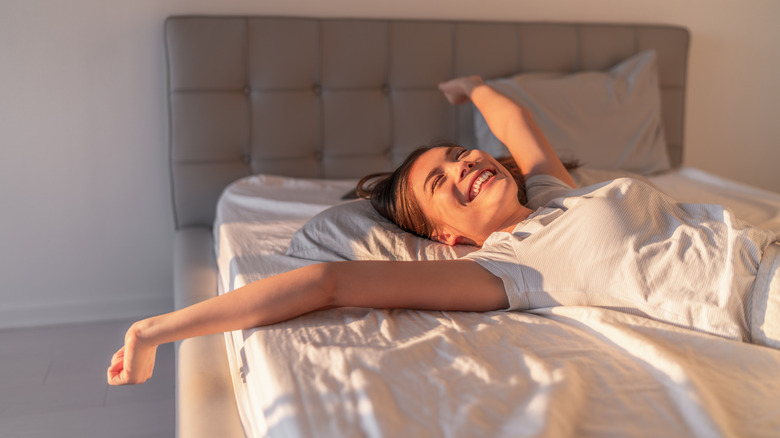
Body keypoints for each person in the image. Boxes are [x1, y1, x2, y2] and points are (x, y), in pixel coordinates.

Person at [108, 76, 779, 386]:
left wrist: (472, 88)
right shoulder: (510, 268)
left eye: (459, 155)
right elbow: (328, 281)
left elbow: (515, 124)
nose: (466, 165)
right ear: (449, 237)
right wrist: (153, 331)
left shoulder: (551, 195)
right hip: (761, 298)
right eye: (443, 183)